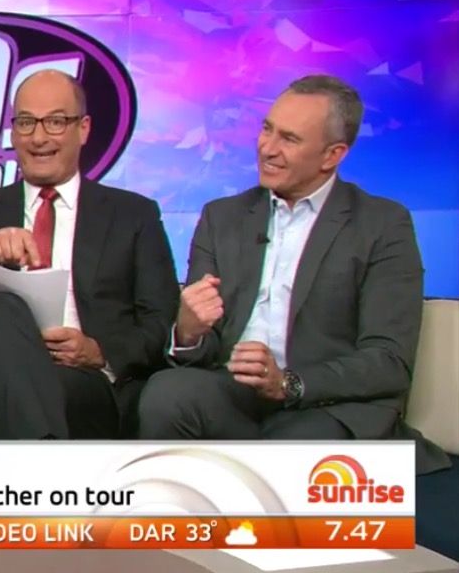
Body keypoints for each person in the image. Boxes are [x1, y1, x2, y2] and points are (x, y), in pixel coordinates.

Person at [138, 74, 450, 474]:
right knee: (166, 394)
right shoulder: (222, 217)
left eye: (289, 139)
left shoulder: (382, 224)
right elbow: (203, 347)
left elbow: (388, 361)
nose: (267, 148)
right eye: (267, 129)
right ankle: (175, 512)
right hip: (235, 394)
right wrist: (188, 332)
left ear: (332, 155)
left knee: (289, 448)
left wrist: (288, 383)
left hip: (328, 405)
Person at [0, 70, 180, 440]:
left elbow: (160, 322)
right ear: (13, 132)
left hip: (82, 379)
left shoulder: (132, 215)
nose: (39, 137)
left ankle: (31, 463)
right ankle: (44, 460)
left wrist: (99, 352)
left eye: (56, 122)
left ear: (84, 129)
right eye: (26, 122)